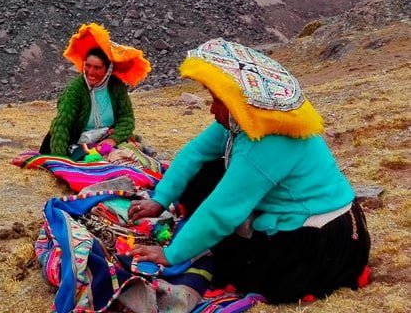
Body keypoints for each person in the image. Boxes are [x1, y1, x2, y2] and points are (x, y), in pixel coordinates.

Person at [127, 38, 370, 304]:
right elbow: (194, 153)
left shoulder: (267, 141)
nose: (212, 108)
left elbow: (222, 211)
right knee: (204, 174)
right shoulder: (245, 119)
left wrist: (172, 254)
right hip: (299, 214)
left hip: (317, 239)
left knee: (239, 267)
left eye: (218, 100)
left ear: (236, 102)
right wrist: (160, 198)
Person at [40, 23, 151, 161]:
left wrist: (113, 139)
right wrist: (60, 161)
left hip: (107, 139)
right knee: (104, 159)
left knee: (130, 152)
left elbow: (126, 119)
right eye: (88, 66)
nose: (91, 72)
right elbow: (62, 126)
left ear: (108, 69)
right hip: (79, 144)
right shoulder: (75, 90)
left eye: (97, 67)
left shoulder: (116, 87)